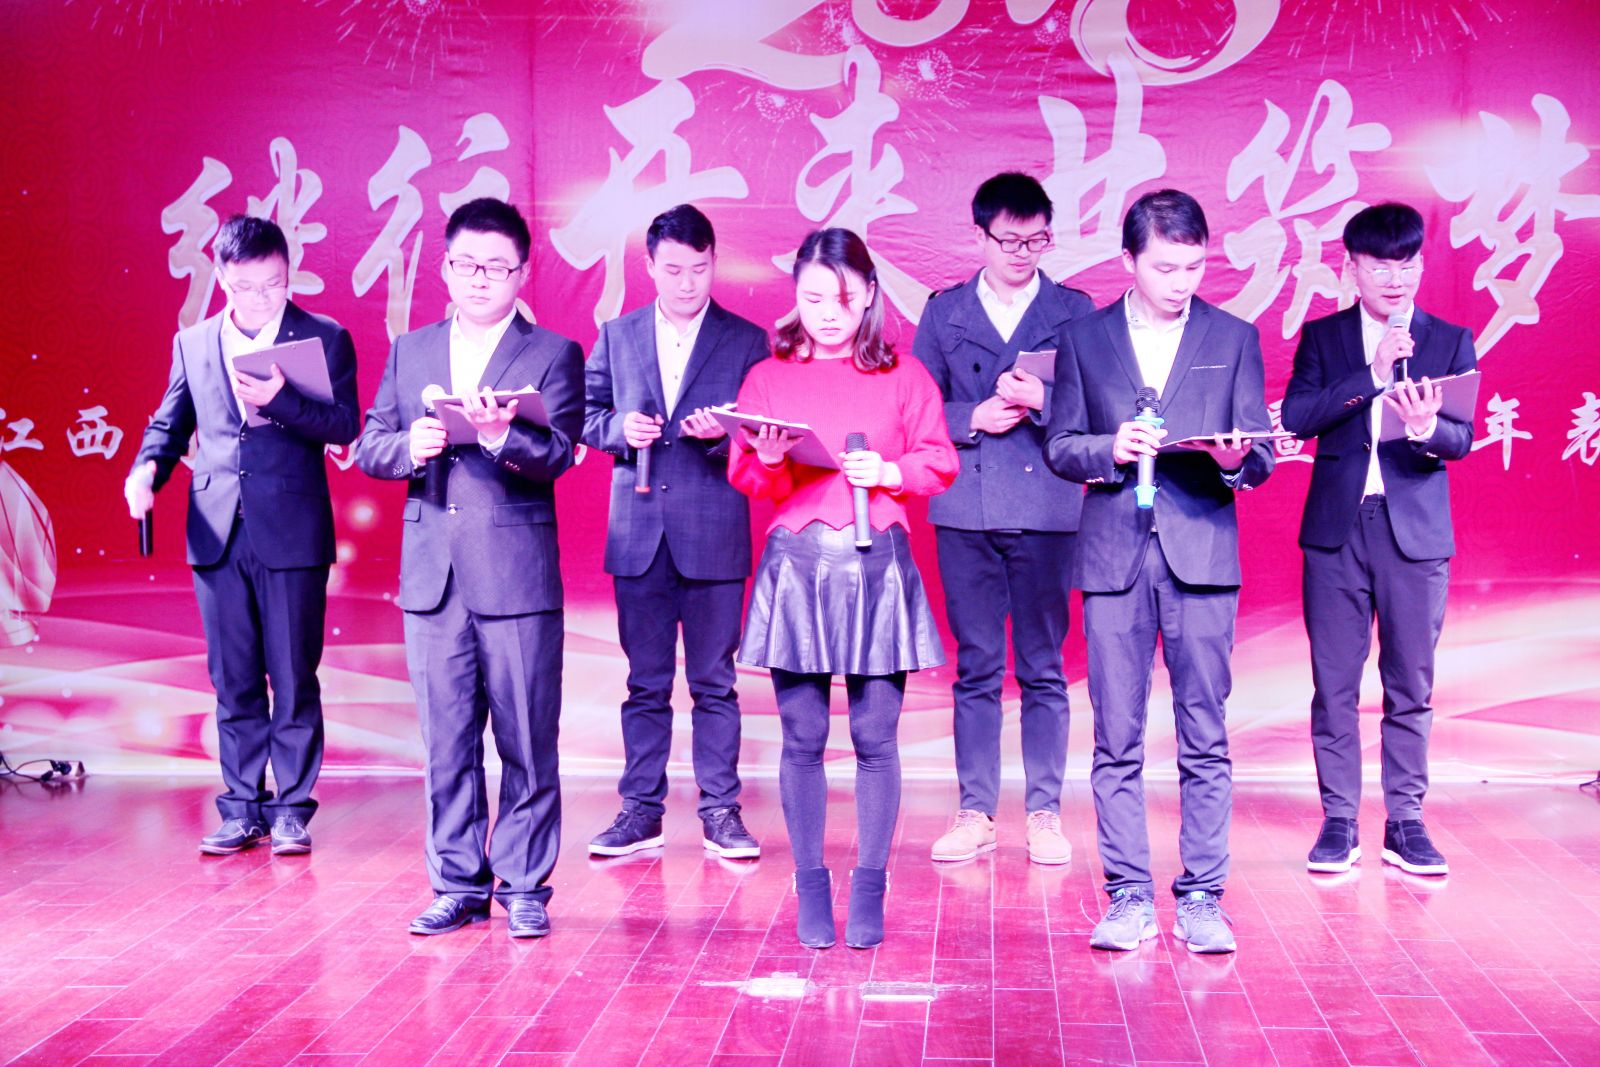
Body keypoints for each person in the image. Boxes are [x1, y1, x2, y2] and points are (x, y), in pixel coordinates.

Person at [1044, 190, 1274, 954]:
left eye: (1194, 266)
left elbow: (1260, 452)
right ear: (1129, 261)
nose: (1182, 281)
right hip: (1114, 553)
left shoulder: (1232, 336)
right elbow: (1060, 444)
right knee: (1117, 735)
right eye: (1166, 267)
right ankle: (1129, 895)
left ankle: (1203, 895)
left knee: (1204, 733)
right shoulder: (1084, 338)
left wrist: (1236, 459)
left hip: (1201, 552)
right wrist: (1109, 448)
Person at [353, 197, 584, 939]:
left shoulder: (553, 353)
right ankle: (456, 882)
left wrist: (497, 437)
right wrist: (409, 446)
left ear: (521, 274)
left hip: (515, 576)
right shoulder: (411, 350)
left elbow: (560, 453)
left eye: (496, 267)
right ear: (445, 268)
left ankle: (525, 884)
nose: (479, 278)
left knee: (527, 738)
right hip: (433, 577)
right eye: (466, 264)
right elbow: (370, 444)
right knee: (446, 743)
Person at [729, 228, 957, 949]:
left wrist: (888, 472)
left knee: (873, 736)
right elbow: (749, 478)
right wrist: (770, 460)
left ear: (869, 297)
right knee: (802, 736)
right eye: (813, 299)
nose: (828, 313)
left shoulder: (905, 375)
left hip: (876, 564)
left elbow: (939, 460)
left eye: (843, 298)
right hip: (796, 566)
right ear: (796, 297)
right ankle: (810, 884)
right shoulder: (768, 378)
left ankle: (870, 885)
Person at [125, 214, 358, 857]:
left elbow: (343, 425)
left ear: (289, 273)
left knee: (293, 675)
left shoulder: (324, 336)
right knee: (232, 678)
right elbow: (170, 425)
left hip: (292, 529)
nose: (260, 298)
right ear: (222, 279)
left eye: (273, 284)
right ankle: (241, 808)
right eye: (246, 286)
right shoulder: (194, 341)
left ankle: (292, 811)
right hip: (216, 528)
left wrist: (282, 398)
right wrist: (146, 470)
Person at [1281, 202, 1477, 877]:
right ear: (1352, 268)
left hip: (1414, 533)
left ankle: (1406, 822)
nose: (1397, 279)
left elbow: (1462, 437)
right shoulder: (1325, 338)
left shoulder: (1449, 339)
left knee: (1410, 683)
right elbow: (1298, 417)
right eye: (1381, 266)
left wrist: (1425, 428)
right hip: (1337, 532)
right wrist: (1371, 374)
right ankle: (1339, 821)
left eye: (1408, 264)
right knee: (1334, 684)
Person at [912, 172, 1093, 866]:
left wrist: (1044, 402)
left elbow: (1097, 406)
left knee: (1043, 667)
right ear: (980, 237)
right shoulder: (944, 312)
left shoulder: (1073, 309)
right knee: (978, 666)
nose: (1023, 253)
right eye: (1010, 240)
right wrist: (973, 417)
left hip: (1048, 504)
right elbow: (917, 408)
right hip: (967, 508)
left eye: (1036, 240)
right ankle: (975, 812)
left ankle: (1044, 813)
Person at [582, 204, 769, 859]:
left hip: (714, 528)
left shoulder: (746, 340)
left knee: (715, 682)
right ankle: (641, 811)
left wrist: (723, 436)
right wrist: (618, 430)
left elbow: (764, 432)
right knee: (645, 682)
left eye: (699, 268)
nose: (687, 282)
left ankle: (721, 811)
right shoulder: (618, 334)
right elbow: (585, 413)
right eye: (673, 269)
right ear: (649, 266)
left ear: (715, 262)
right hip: (638, 533)